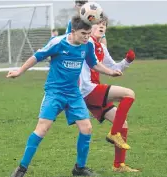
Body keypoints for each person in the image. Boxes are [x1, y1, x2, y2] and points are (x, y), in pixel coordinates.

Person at [7, 15, 122, 177]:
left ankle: (79, 169)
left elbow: (93, 63)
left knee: (87, 128)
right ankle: (21, 169)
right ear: (73, 31)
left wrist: (110, 72)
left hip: (74, 93)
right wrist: (19, 71)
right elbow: (37, 56)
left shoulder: (87, 44)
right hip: (55, 93)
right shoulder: (58, 43)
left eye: (89, 33)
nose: (87, 37)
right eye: (83, 33)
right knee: (42, 129)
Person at [79, 15, 140, 172]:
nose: (101, 26)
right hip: (88, 89)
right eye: (98, 24)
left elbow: (114, 68)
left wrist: (127, 61)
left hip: (94, 90)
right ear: (89, 27)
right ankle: (113, 134)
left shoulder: (101, 47)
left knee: (123, 124)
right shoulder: (87, 43)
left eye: (104, 24)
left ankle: (118, 165)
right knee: (129, 94)